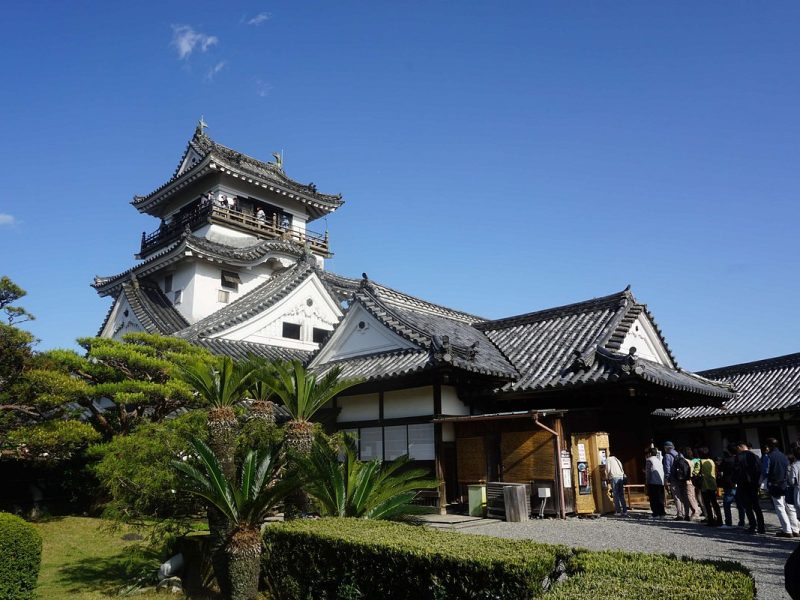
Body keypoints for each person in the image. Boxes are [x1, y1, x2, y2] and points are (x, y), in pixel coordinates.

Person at [764, 438, 799, 538]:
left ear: (769, 446)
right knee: (790, 508)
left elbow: (766, 471)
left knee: (780, 508)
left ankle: (787, 530)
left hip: (775, 484)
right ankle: (795, 529)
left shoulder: (769, 457)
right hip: (785, 484)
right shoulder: (784, 456)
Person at [734, 441, 766, 534]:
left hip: (743, 484)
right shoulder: (755, 456)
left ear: (740, 447)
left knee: (748, 506)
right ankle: (761, 527)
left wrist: (735, 481)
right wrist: (758, 482)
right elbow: (760, 470)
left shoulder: (739, 457)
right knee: (756, 506)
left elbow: (736, 471)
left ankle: (752, 526)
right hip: (754, 484)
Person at [718, 444, 745, 528]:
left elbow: (720, 469)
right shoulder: (740, 459)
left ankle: (728, 522)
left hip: (729, 483)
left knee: (727, 504)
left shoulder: (726, 460)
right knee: (740, 504)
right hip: (739, 483)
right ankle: (742, 522)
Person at [664, 442, 692, 520]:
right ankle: (687, 515)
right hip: (683, 478)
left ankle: (680, 514)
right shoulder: (680, 455)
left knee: (677, 497)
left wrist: (666, 479)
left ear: (666, 448)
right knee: (685, 496)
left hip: (674, 479)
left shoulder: (667, 456)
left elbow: (667, 469)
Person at [698, 447, 722, 526]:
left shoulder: (700, 462)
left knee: (707, 503)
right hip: (713, 483)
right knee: (714, 503)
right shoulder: (712, 461)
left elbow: (696, 472)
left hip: (704, 485)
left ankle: (710, 520)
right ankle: (719, 519)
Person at [685, 447, 705, 518]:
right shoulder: (700, 460)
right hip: (702, 479)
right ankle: (704, 511)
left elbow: (693, 471)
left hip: (695, 479)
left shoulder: (692, 461)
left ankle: (703, 511)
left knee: (698, 496)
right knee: (702, 496)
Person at [645, 447, 666, 518]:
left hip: (653, 481)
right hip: (660, 481)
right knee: (660, 498)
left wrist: (647, 482)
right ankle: (662, 513)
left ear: (650, 453)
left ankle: (655, 513)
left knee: (653, 498)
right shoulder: (659, 460)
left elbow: (648, 472)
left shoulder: (649, 460)